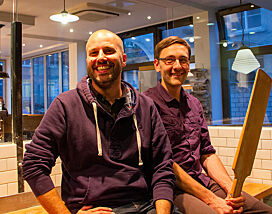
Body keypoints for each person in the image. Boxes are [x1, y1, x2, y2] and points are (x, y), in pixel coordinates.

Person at [22, 30, 178, 214]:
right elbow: (33, 164)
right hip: (93, 209)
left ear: (124, 59)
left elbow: (162, 166)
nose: (101, 58)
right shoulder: (65, 105)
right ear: (87, 61)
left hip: (146, 205)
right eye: (94, 53)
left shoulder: (146, 106)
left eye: (109, 51)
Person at [143, 36, 272, 214]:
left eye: (183, 60)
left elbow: (207, 153)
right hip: (172, 189)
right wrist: (212, 201)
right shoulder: (146, 104)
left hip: (203, 181)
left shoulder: (194, 103)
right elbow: (163, 163)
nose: (177, 66)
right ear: (157, 65)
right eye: (169, 60)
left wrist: (231, 189)